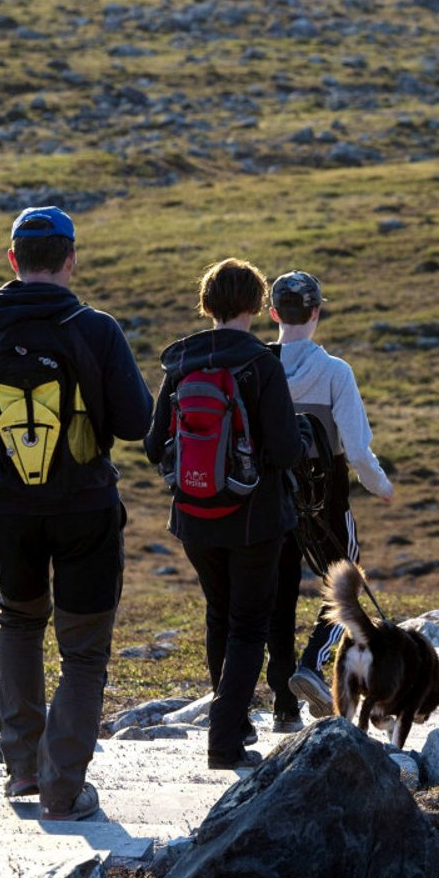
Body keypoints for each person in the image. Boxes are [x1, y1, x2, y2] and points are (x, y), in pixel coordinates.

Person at [0, 205, 153, 822]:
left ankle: (23, 770)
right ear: (70, 259)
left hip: (11, 508)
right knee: (84, 653)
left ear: (13, 261)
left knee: (21, 624)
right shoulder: (97, 329)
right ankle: (63, 791)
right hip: (85, 509)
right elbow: (139, 422)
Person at [144, 257, 303, 769]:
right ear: (258, 305)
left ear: (206, 303)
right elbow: (282, 450)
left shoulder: (180, 363)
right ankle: (224, 742)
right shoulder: (261, 363)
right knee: (248, 625)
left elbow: (152, 445)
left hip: (193, 515)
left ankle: (231, 723)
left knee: (220, 615)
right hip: (255, 519)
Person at [263, 270, 395, 729]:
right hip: (326, 495)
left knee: (278, 599)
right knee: (345, 580)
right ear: (317, 312)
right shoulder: (336, 372)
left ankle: (283, 707)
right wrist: (381, 486)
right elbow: (357, 449)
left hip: (271, 495)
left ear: (274, 313)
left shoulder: (260, 366)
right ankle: (311, 662)